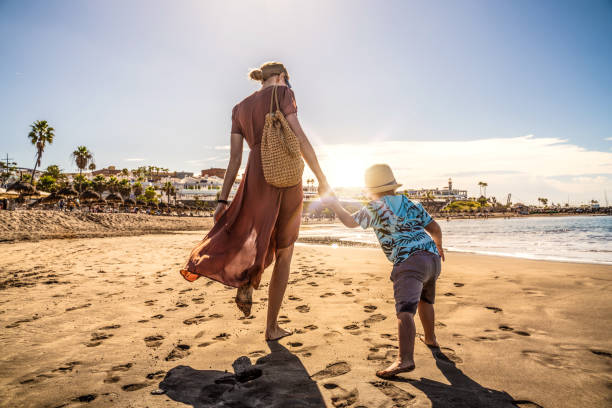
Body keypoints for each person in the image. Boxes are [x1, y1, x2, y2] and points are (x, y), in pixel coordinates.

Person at [180, 62, 329, 341]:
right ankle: (271, 327)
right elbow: (299, 136)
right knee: (284, 250)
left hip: (255, 174)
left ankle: (248, 279)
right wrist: (321, 176)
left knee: (254, 234)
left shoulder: (239, 108)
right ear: (282, 77)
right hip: (283, 173)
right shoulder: (283, 94)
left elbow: (234, 159)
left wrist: (222, 200)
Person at [321, 164, 444, 378]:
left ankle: (405, 359)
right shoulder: (409, 202)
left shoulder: (375, 207)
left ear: (371, 189)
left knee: (405, 310)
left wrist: (335, 206)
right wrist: (439, 246)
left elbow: (350, 222)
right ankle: (431, 338)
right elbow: (435, 228)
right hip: (432, 258)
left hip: (408, 262)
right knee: (426, 300)